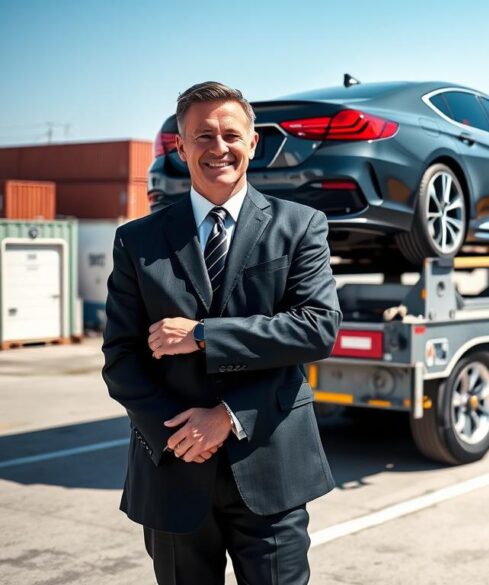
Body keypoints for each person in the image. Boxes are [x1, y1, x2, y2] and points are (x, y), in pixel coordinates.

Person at [102, 81, 342, 585]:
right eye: (203, 136)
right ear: (181, 146)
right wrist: (180, 434)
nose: (219, 148)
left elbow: (316, 329)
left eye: (231, 135)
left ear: (252, 143)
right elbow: (121, 359)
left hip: (272, 468)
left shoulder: (300, 226)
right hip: (173, 471)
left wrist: (205, 338)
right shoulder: (137, 241)